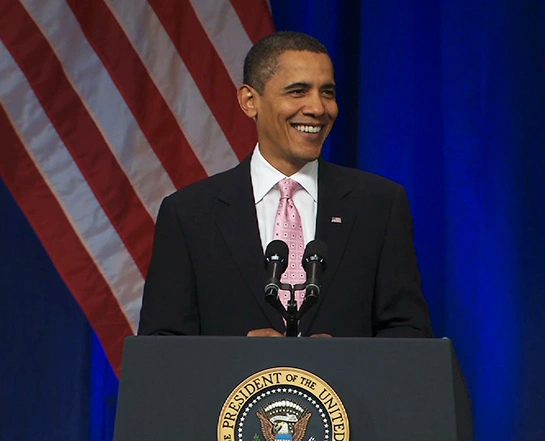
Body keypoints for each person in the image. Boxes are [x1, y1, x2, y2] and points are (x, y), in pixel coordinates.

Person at [137, 31, 433, 338]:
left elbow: (408, 331)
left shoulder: (379, 205)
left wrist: (346, 363)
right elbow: (162, 345)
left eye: (328, 93)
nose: (318, 108)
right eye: (298, 91)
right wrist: (235, 360)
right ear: (250, 101)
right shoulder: (189, 214)